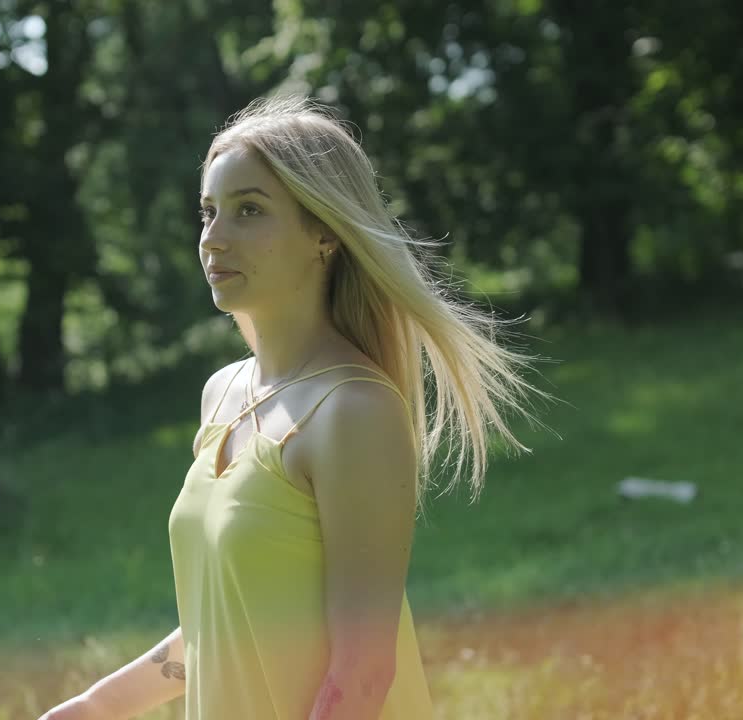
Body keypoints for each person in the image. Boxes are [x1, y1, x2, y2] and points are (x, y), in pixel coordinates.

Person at [39, 95, 546, 720]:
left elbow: (362, 671)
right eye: (208, 212)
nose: (214, 239)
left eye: (249, 211)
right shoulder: (222, 394)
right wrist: (97, 706)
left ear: (324, 231)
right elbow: (225, 629)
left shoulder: (352, 410)